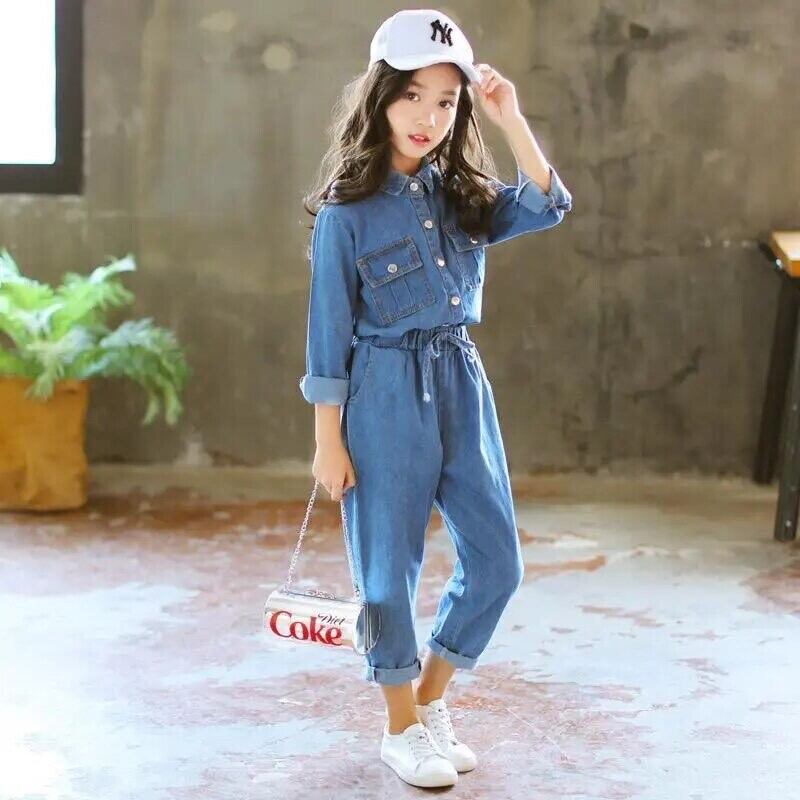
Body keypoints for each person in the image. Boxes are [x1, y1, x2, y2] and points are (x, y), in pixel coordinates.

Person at [298, 8, 573, 789]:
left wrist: (510, 118)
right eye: (412, 95)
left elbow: (549, 203)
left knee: (497, 564)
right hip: (381, 393)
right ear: (381, 96)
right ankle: (399, 730)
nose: (428, 116)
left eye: (446, 101)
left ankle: (425, 703)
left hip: (459, 381)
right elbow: (327, 335)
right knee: (386, 577)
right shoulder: (346, 214)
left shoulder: (463, 196)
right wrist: (328, 439)